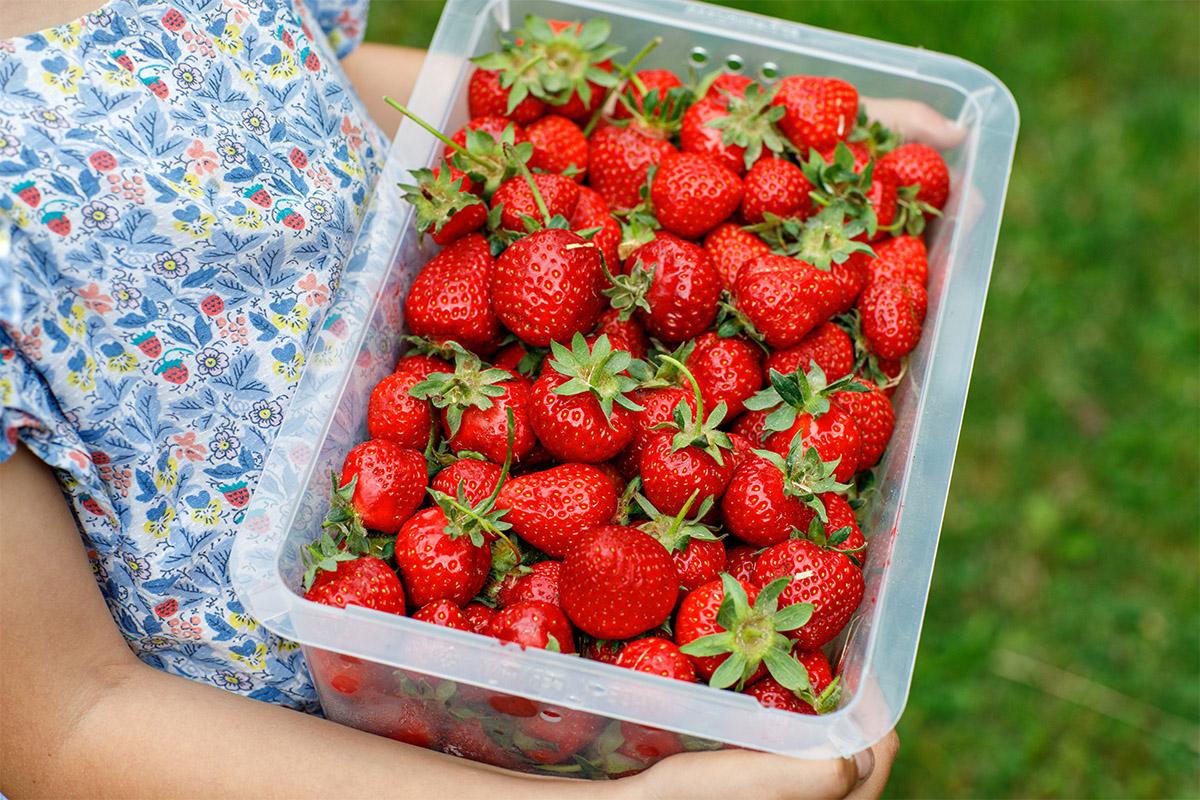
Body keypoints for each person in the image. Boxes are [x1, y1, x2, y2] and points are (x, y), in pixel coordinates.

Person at [0, 1, 962, 796]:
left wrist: (786, 133)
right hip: (278, 747)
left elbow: (322, 74)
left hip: (469, 553)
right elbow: (65, 722)